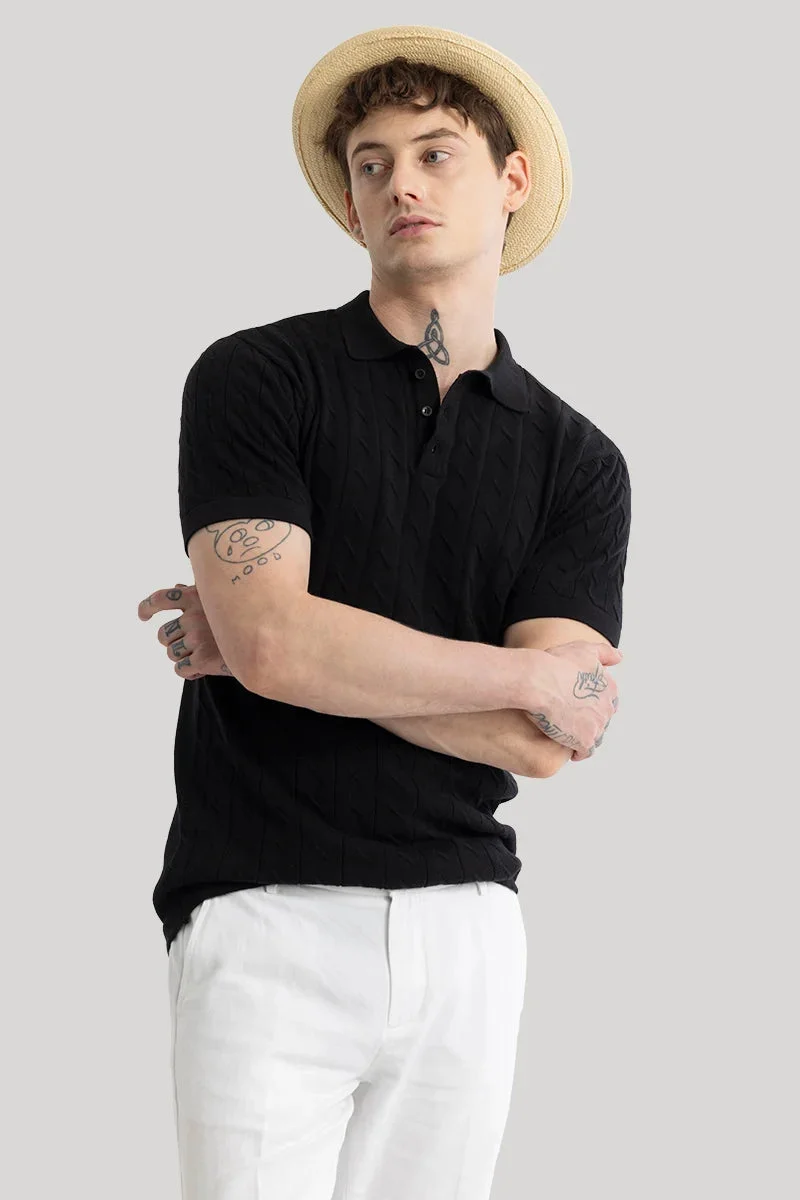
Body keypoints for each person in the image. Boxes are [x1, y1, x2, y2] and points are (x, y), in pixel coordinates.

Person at [138, 24, 631, 1200]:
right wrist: (519, 674)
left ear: (510, 180)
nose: (399, 182)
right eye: (370, 163)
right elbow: (277, 642)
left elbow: (542, 747)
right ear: (351, 201)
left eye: (434, 152)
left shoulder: (577, 462)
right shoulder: (257, 378)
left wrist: (284, 653)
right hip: (264, 906)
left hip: (468, 929)